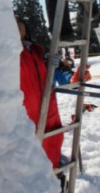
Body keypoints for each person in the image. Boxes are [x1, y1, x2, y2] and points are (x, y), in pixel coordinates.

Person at [16, 17, 64, 169]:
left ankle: (57, 178)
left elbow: (62, 75)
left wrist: (52, 65)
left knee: (53, 138)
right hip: (26, 110)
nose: (16, 28)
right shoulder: (8, 53)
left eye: (19, 25)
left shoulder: (38, 50)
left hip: (48, 105)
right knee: (30, 147)